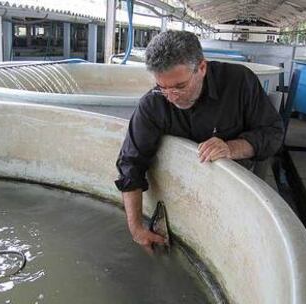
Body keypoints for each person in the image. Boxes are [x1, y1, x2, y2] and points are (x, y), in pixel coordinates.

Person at [115, 30, 284, 249]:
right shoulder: (153, 104)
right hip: (177, 192)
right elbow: (130, 163)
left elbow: (273, 132)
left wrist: (232, 148)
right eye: (162, 87)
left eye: (180, 86)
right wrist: (136, 228)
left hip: (233, 193)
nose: (172, 96)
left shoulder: (239, 81)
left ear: (202, 68)